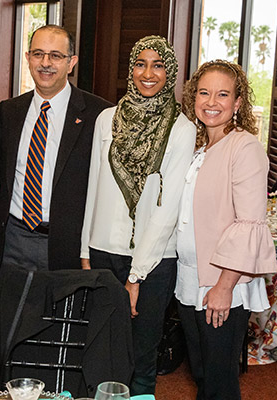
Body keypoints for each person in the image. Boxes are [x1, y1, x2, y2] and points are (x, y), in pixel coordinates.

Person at [80, 36, 196, 395]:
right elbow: (93, 188)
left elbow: (167, 209)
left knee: (142, 360)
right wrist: (85, 250)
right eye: (140, 64)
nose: (149, 73)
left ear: (171, 72)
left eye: (158, 65)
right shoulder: (106, 120)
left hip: (153, 261)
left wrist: (136, 276)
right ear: (130, 70)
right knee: (101, 350)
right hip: (102, 251)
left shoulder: (181, 128)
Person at [176, 60, 277, 399]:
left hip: (222, 284)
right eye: (204, 93)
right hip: (189, 279)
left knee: (219, 381)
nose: (211, 102)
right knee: (203, 374)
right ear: (193, 98)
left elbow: (248, 224)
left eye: (223, 94)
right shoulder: (197, 147)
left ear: (237, 103)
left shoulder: (244, 147)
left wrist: (224, 285)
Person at [0, 24, 112, 281]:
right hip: (12, 240)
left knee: (57, 321)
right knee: (10, 319)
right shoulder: (10, 111)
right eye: (38, 54)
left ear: (71, 62)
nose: (45, 63)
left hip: (67, 247)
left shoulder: (99, 114)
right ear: (28, 58)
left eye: (56, 56)